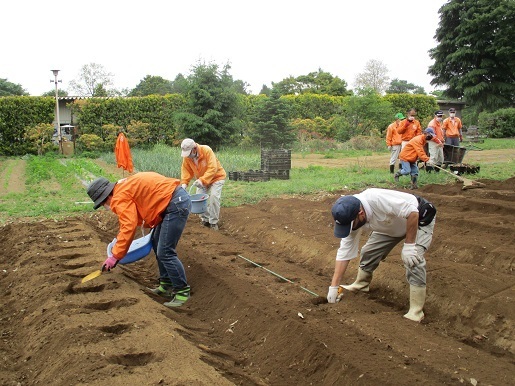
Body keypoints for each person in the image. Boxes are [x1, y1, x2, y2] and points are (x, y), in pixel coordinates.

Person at [326, 188, 436, 322]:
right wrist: (334, 287)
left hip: (418, 218)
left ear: (360, 213)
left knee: (412, 258)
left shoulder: (377, 199)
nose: (350, 229)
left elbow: (412, 212)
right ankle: (361, 284)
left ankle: (416, 311)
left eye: (351, 225)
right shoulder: (351, 218)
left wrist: (409, 246)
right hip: (390, 225)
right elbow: (344, 253)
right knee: (368, 252)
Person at [86, 172, 192, 308]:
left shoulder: (119, 197)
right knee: (156, 241)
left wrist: (115, 256)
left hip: (174, 203)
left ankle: (182, 291)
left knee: (165, 251)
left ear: (106, 197)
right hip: (170, 201)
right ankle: (166, 285)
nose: (105, 206)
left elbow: (128, 227)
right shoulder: (121, 188)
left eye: (102, 203)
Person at [180, 138, 226, 231]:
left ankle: (213, 222)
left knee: (214, 197)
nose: (188, 156)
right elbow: (186, 170)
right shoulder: (187, 158)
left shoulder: (206, 150)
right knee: (199, 199)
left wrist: (203, 180)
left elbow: (213, 168)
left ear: (194, 149)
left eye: (189, 153)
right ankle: (205, 219)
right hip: (202, 180)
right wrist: (184, 183)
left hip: (216, 177)